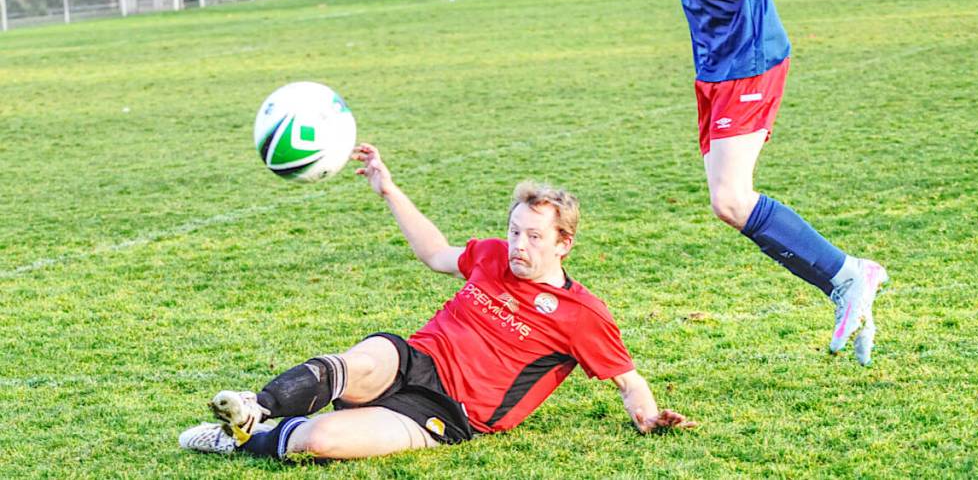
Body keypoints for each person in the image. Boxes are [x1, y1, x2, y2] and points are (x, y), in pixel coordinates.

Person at [576, 0, 888, 365]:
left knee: (730, 198)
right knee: (727, 200)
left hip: (750, 58)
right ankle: (845, 279)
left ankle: (849, 276)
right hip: (714, 66)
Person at [179, 143, 696, 461]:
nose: (518, 245)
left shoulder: (581, 315)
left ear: (563, 243)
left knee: (323, 441)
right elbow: (434, 252)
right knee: (362, 358)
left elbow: (629, 380)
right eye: (515, 231)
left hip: (448, 411)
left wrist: (647, 417)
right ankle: (256, 406)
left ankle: (242, 440)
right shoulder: (491, 256)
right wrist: (389, 189)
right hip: (414, 359)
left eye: (534, 237)